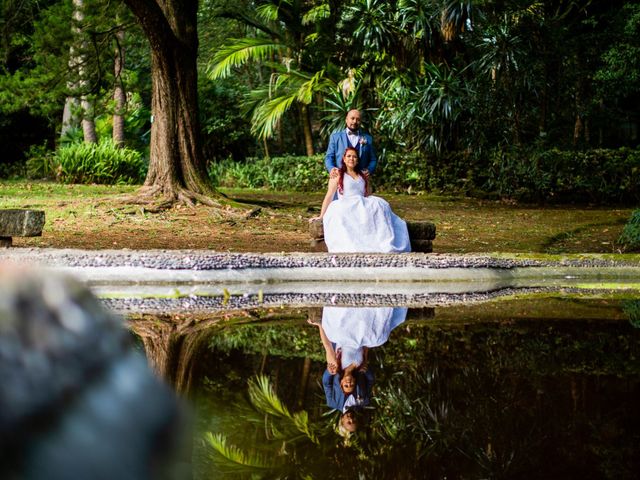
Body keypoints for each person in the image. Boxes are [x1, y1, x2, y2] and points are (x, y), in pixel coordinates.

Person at [314, 147, 411, 253]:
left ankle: (381, 240)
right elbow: (329, 196)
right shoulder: (338, 174)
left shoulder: (362, 175)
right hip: (346, 203)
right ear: (344, 159)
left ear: (358, 160)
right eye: (349, 156)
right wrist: (321, 216)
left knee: (380, 204)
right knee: (340, 212)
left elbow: (368, 195)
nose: (352, 159)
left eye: (354, 157)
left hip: (362, 203)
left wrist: (368, 184)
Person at [325, 109, 377, 179]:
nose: (355, 121)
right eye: (352, 118)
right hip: (341, 178)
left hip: (361, 179)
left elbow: (373, 159)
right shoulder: (335, 137)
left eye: (358, 119)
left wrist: (369, 170)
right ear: (346, 120)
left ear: (360, 122)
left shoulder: (368, 139)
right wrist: (331, 168)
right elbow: (329, 157)